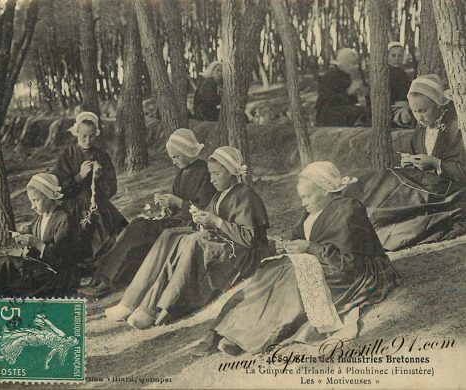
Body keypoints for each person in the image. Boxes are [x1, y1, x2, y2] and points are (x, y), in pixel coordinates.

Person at [191, 161, 398, 357]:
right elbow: (299, 234)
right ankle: (221, 329)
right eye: (302, 197)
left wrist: (309, 247)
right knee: (268, 274)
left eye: (307, 197)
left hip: (347, 274)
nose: (303, 202)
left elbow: (349, 262)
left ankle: (250, 337)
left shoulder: (347, 210)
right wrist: (288, 244)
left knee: (288, 282)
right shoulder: (313, 211)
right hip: (321, 263)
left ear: (325, 190)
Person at [105, 146, 271, 330]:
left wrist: (215, 221)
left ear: (231, 172)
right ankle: (130, 302)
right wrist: (202, 220)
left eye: (216, 174)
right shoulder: (219, 195)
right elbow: (211, 219)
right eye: (210, 174)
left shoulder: (245, 195)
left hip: (240, 254)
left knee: (191, 241)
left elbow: (250, 239)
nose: (211, 179)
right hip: (222, 241)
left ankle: (156, 309)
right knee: (170, 235)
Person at [78, 129, 217, 298]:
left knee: (139, 229)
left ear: (188, 152)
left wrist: (177, 202)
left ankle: (105, 280)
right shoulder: (182, 174)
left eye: (176, 157)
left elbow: (204, 210)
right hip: (176, 220)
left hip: (188, 225)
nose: (173, 161)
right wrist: (166, 204)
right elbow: (174, 208)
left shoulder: (204, 172)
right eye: (172, 157)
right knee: (136, 224)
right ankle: (101, 276)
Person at [344, 74, 466, 250]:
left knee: (396, 204)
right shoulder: (423, 127)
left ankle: (373, 222)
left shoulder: (456, 127)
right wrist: (412, 162)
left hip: (448, 192)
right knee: (383, 179)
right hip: (425, 183)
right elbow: (420, 154)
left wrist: (436, 163)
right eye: (415, 111)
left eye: (423, 111)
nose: (419, 117)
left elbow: (462, 171)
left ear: (439, 105)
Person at [0, 173, 90, 320]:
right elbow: (38, 240)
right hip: (43, 269)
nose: (32, 206)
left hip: (59, 276)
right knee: (5, 267)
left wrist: (37, 243)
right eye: (31, 201)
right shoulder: (40, 218)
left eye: (35, 200)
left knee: (7, 263)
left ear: (49, 197)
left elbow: (63, 259)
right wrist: (26, 235)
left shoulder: (64, 219)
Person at [52, 111, 126, 257]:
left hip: (97, 204)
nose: (88, 140)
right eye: (84, 136)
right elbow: (58, 188)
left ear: (96, 134)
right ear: (76, 133)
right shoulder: (67, 155)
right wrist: (79, 176)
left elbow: (111, 188)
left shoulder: (102, 156)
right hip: (73, 206)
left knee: (116, 237)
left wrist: (99, 175)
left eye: (91, 135)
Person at [315, 48, 369, 127]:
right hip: (329, 113)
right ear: (342, 64)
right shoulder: (330, 77)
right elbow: (327, 99)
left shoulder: (351, 75)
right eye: (352, 63)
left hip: (345, 109)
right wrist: (348, 92)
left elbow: (357, 98)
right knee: (359, 112)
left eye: (356, 63)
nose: (355, 66)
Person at [388, 42, 414, 128]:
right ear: (387, 56)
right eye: (393, 55)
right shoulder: (385, 73)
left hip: (407, 105)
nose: (397, 58)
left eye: (399, 56)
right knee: (404, 116)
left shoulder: (402, 73)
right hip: (393, 107)